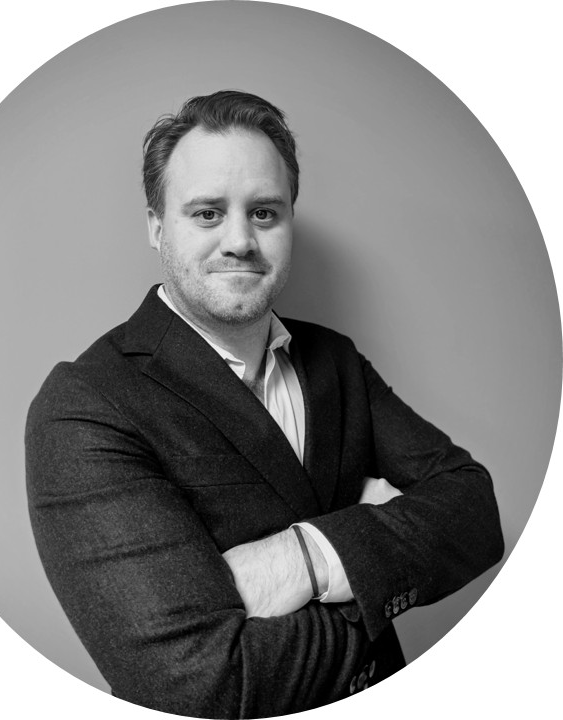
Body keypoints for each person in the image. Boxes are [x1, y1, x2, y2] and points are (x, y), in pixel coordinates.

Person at [25, 90, 504, 719]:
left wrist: (306, 557)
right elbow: (199, 685)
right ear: (156, 226)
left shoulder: (335, 360)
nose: (240, 241)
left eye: (264, 212)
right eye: (206, 213)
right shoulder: (86, 403)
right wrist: (373, 553)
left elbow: (475, 512)